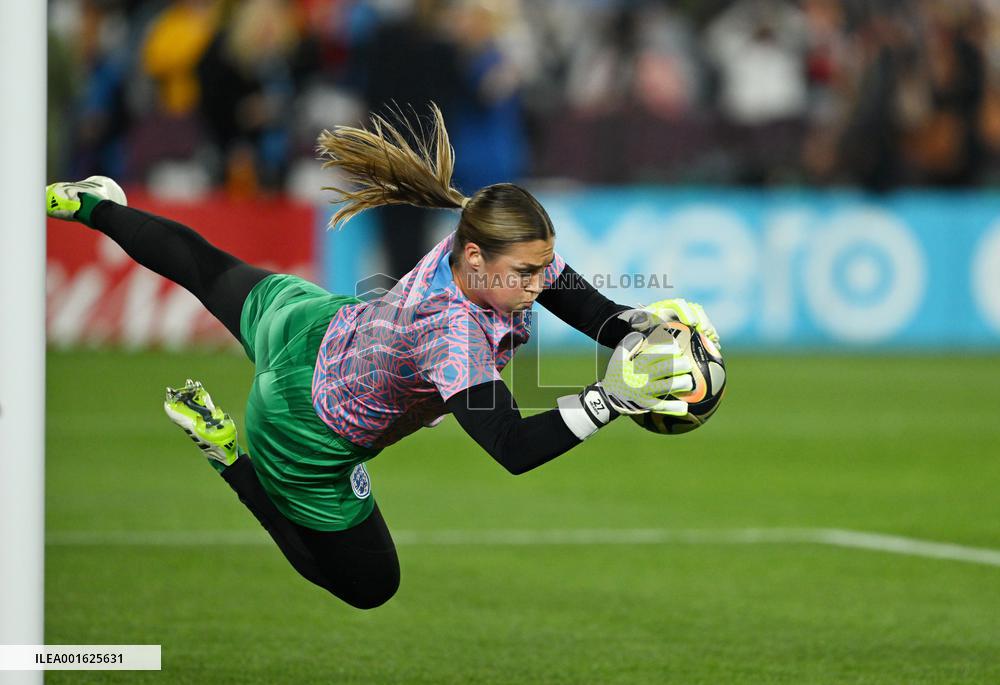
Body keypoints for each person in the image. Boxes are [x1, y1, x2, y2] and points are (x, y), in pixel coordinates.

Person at [45, 105, 718, 610]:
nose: (541, 283)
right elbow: (511, 445)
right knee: (369, 585)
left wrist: (641, 327)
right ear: (476, 258)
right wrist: (610, 399)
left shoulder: (487, 242)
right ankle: (229, 456)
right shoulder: (452, 332)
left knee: (207, 269)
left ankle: (93, 206)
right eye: (530, 272)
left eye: (544, 265)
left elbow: (585, 306)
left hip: (313, 327)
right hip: (301, 427)